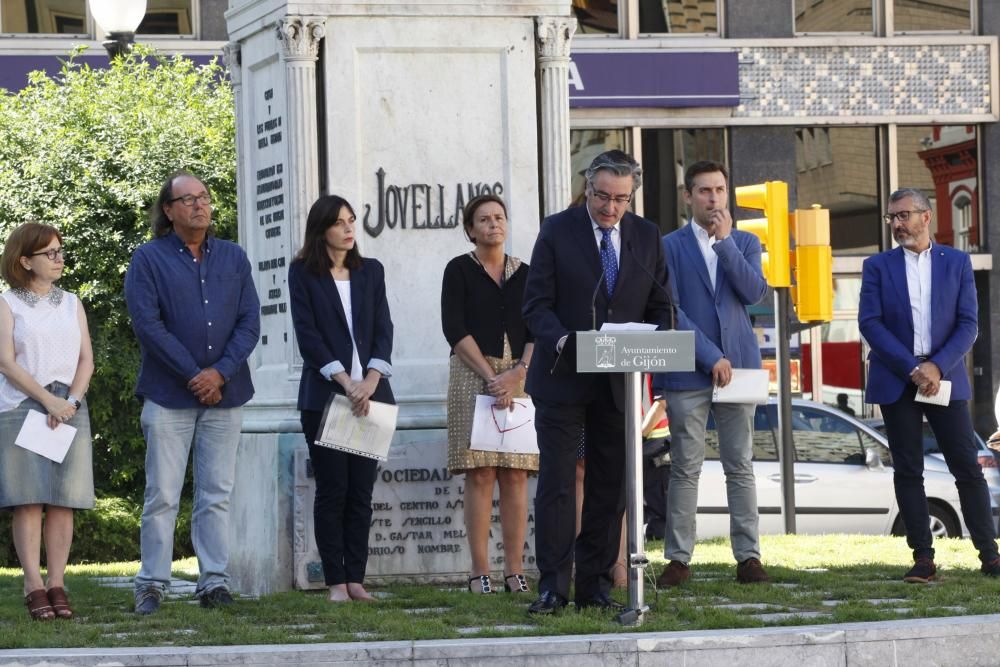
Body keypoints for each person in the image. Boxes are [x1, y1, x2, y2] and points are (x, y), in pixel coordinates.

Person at [522, 150, 674, 614]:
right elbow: (535, 306)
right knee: (558, 483)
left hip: (617, 382)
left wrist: (657, 336)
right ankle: (552, 586)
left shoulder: (646, 236)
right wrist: (563, 339)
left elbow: (661, 304)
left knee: (610, 487)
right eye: (602, 197)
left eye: (621, 200)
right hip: (562, 377)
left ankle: (593, 586)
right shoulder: (556, 230)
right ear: (587, 188)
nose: (610, 208)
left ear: (632, 196)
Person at [126, 172, 260, 615]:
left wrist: (219, 373)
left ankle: (213, 582)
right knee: (162, 494)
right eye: (188, 200)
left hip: (227, 394)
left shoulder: (234, 258)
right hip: (168, 395)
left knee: (216, 492)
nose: (199, 206)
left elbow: (249, 323)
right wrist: (194, 375)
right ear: (168, 210)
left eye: (204, 197)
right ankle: (152, 584)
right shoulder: (147, 260)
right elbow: (148, 326)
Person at [859, 187, 1000, 583]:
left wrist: (937, 367)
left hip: (945, 379)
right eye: (892, 218)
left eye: (903, 215)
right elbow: (870, 323)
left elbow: (969, 324)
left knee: (966, 469)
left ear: (926, 217)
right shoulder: (877, 266)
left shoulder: (956, 263)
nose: (897, 224)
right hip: (896, 379)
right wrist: (912, 368)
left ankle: (989, 555)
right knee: (908, 470)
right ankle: (923, 558)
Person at [653, 160, 770, 587]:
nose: (714, 199)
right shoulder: (668, 246)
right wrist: (709, 355)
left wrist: (725, 245)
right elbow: (671, 308)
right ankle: (679, 559)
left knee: (740, 465)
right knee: (686, 466)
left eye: (720, 190)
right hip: (688, 369)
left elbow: (755, 293)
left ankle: (749, 558)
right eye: (704, 191)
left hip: (739, 370)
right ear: (688, 196)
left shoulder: (745, 240)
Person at [288, 194, 394, 603]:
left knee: (361, 493)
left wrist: (369, 380)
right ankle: (335, 581)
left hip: (373, 395)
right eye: (340, 222)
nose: (350, 229)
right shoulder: (303, 274)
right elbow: (308, 336)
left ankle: (356, 580)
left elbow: (383, 328)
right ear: (322, 229)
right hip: (327, 396)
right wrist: (347, 381)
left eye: (352, 221)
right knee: (333, 489)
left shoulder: (371, 272)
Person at [441, 194, 537, 595]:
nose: (494, 224)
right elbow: (454, 327)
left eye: (499, 217)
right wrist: (490, 376)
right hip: (472, 374)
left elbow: (536, 327)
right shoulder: (459, 270)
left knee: (515, 475)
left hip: (519, 375)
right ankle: (479, 572)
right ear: (470, 229)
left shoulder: (526, 272)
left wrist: (518, 374)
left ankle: (515, 571)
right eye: (484, 219)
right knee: (480, 473)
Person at [0, 223, 94, 620]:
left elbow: (86, 359)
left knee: (63, 500)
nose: (59, 259)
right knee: (29, 498)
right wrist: (48, 401)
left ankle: (57, 583)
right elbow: (5, 361)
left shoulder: (72, 302)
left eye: (60, 251)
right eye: (49, 253)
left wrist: (69, 401)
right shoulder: (7, 303)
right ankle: (33, 585)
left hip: (70, 407)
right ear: (25, 260)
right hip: (24, 404)